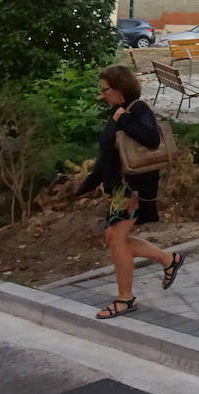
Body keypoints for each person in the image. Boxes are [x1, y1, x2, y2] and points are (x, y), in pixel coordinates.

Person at [76, 64, 184, 319]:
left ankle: (126, 298)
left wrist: (123, 118)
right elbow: (107, 155)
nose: (102, 95)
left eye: (105, 90)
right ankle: (168, 260)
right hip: (119, 190)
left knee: (115, 237)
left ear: (119, 89)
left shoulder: (138, 109)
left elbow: (151, 139)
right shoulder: (117, 111)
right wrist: (88, 185)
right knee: (116, 239)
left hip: (134, 189)